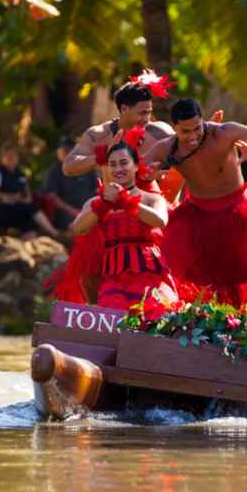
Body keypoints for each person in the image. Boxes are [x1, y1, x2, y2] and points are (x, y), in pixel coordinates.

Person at [142, 98, 247, 312]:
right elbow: (135, 169)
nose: (193, 136)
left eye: (197, 128)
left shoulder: (223, 133)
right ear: (174, 128)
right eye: (186, 132)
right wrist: (148, 174)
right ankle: (155, 320)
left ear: (203, 121)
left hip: (239, 211)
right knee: (162, 265)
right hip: (195, 215)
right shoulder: (166, 148)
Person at [70, 138, 178, 312]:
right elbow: (78, 228)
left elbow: (160, 221)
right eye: (112, 164)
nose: (118, 169)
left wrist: (126, 201)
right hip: (114, 278)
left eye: (123, 163)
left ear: (136, 166)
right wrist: (103, 205)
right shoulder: (96, 202)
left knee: (157, 318)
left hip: (151, 274)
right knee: (115, 321)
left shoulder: (152, 198)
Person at [62, 70, 176, 197]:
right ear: (124, 109)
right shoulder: (100, 134)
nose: (147, 119)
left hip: (153, 205)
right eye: (142, 113)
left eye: (149, 112)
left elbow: (185, 159)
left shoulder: (160, 133)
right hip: (113, 205)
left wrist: (161, 180)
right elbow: (68, 167)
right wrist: (102, 155)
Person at [0, 143, 59, 239]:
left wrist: (20, 199)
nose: (11, 158)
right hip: (0, 208)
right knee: (30, 210)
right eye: (8, 156)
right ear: (2, 158)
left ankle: (34, 242)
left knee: (29, 216)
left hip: (19, 208)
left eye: (13, 156)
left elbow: (28, 197)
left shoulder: (20, 174)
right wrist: (10, 197)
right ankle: (54, 233)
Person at [45, 136, 98, 231]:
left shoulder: (87, 167)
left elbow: (97, 189)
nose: (68, 153)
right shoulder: (54, 171)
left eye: (70, 150)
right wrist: (74, 211)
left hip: (90, 209)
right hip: (67, 212)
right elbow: (53, 197)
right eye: (64, 150)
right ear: (58, 153)